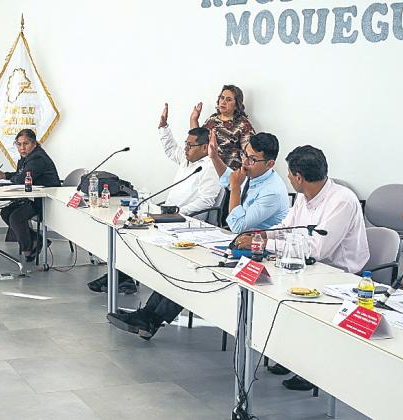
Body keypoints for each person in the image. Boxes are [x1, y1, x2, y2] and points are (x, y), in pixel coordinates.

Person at [108, 132, 289, 340]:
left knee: (195, 272)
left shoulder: (272, 191)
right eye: (244, 155)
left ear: (270, 164)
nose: (245, 163)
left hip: (260, 256)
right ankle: (148, 316)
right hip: (238, 246)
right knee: (183, 263)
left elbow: (237, 224)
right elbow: (227, 179)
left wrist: (235, 187)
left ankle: (150, 319)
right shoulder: (254, 175)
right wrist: (214, 157)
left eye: (252, 159)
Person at [235, 145, 368, 391]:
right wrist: (261, 236)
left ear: (298, 177)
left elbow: (317, 249)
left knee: (289, 292)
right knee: (270, 290)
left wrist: (266, 243)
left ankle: (310, 369)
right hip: (307, 267)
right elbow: (286, 227)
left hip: (339, 275)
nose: (287, 177)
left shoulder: (342, 200)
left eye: (289, 173)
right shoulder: (303, 197)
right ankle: (290, 356)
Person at [87, 104, 220, 294]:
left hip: (188, 221)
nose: (185, 148)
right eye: (186, 144)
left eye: (190, 145)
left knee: (141, 237)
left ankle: (123, 276)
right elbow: (170, 149)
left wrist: (179, 212)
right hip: (170, 215)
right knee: (130, 233)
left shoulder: (209, 167)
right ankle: (122, 275)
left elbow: (207, 201)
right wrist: (164, 126)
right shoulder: (187, 160)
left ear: (205, 147)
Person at [0, 129, 61, 262]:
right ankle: (36, 240)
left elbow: (22, 179)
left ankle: (28, 250)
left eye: (26, 144)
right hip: (34, 197)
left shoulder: (38, 158)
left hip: (47, 202)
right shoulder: (28, 157)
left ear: (34, 144)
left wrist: (12, 178)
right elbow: (20, 175)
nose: (22, 148)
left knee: (16, 217)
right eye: (19, 144)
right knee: (6, 212)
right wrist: (5, 175)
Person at [191, 85, 255, 171]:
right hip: (207, 169)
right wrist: (194, 119)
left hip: (228, 173)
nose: (223, 102)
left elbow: (251, 154)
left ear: (236, 105)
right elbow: (196, 141)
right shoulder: (212, 120)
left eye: (228, 100)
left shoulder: (243, 124)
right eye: (222, 98)